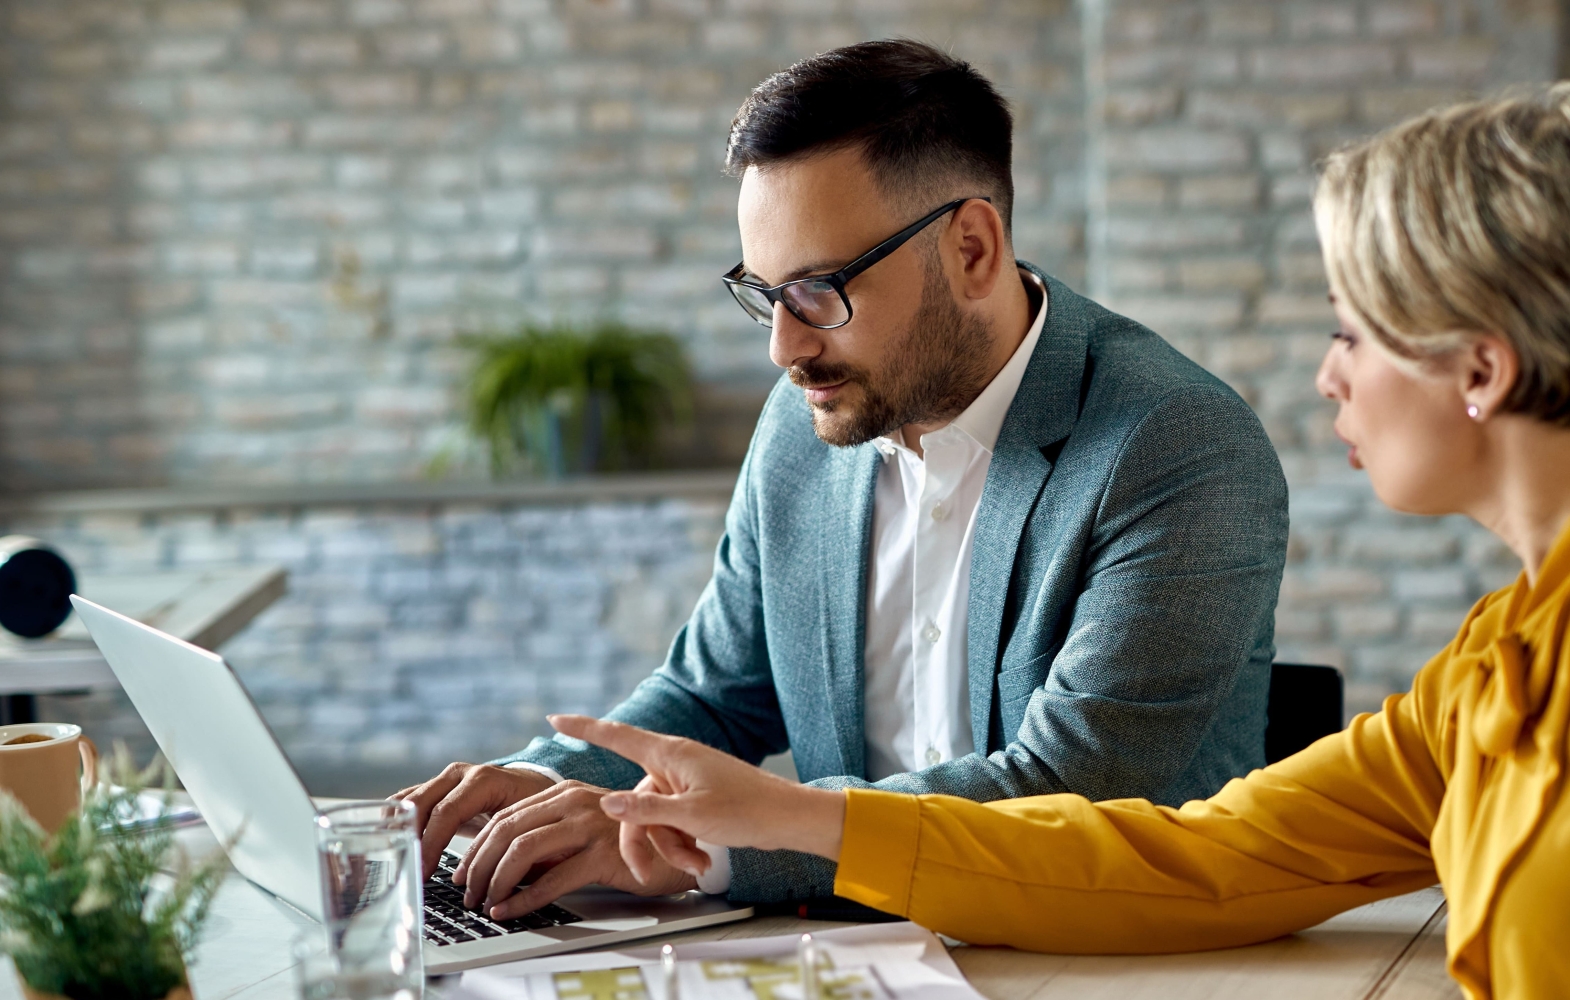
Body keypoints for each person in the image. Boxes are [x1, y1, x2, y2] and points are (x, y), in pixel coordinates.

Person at [548, 86, 1570, 1000]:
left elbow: (1093, 792)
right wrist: (774, 819)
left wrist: (759, 827)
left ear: (1479, 370)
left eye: (1354, 330)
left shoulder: (1173, 434)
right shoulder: (1488, 672)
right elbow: (1200, 855)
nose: (1326, 376)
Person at [398, 40, 1288, 914]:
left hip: (1102, 954)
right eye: (764, 292)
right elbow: (715, 694)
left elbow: (1068, 794)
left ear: (972, 249)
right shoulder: (806, 421)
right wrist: (537, 781)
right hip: (854, 949)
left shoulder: (1176, 443)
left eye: (821, 289)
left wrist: (697, 847)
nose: (785, 348)